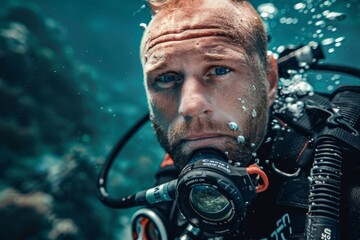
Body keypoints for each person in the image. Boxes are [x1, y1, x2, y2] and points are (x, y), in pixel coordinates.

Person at [131, 0, 360, 239]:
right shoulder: (171, 183)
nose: (191, 106)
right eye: (166, 78)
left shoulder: (346, 173)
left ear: (270, 80)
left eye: (219, 70)